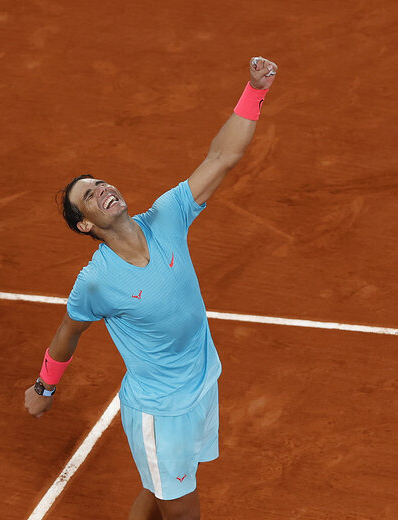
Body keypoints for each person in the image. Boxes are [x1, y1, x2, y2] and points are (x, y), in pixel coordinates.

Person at [25, 56, 278, 520]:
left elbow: (222, 157)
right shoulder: (97, 281)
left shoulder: (168, 215)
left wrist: (254, 89)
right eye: (89, 195)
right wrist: (45, 386)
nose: (102, 189)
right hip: (159, 413)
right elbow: (68, 332)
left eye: (100, 182)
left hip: (203, 383)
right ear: (86, 225)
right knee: (182, 512)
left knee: (160, 491)